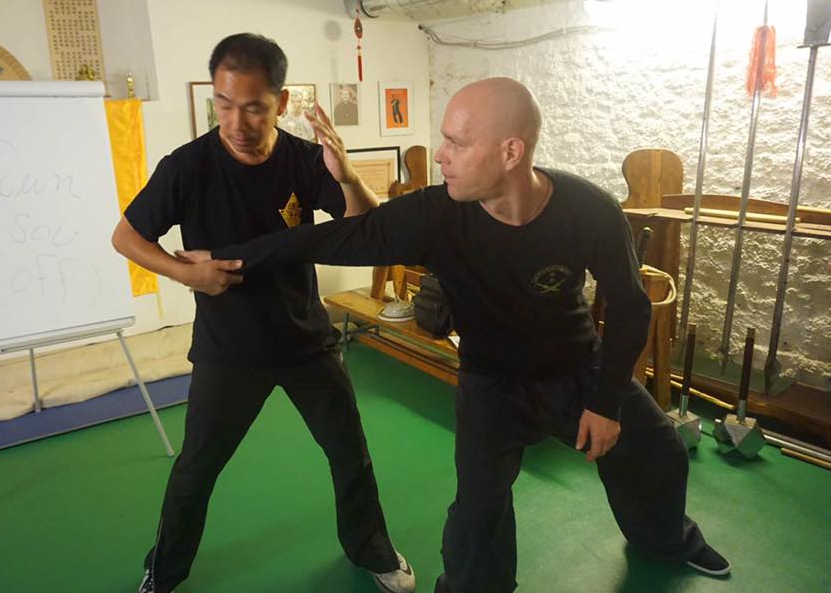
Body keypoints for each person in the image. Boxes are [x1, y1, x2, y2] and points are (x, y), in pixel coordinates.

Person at [199, 78, 731, 593]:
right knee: (478, 515)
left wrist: (607, 403)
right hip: (492, 385)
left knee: (659, 449)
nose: (440, 155)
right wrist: (226, 258)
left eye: (456, 143)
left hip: (578, 368)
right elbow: (334, 238)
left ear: (510, 152)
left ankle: (666, 541)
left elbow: (632, 307)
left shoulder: (588, 209)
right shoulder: (436, 214)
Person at [112, 33, 415, 593]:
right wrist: (186, 273)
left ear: (281, 101)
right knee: (197, 467)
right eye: (224, 104)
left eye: (253, 107)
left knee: (349, 453)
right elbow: (126, 237)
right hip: (229, 350)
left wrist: (347, 176)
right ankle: (165, 569)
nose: (237, 122)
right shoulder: (188, 167)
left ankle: (371, 548)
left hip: (306, 341)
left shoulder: (305, 160)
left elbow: (368, 230)